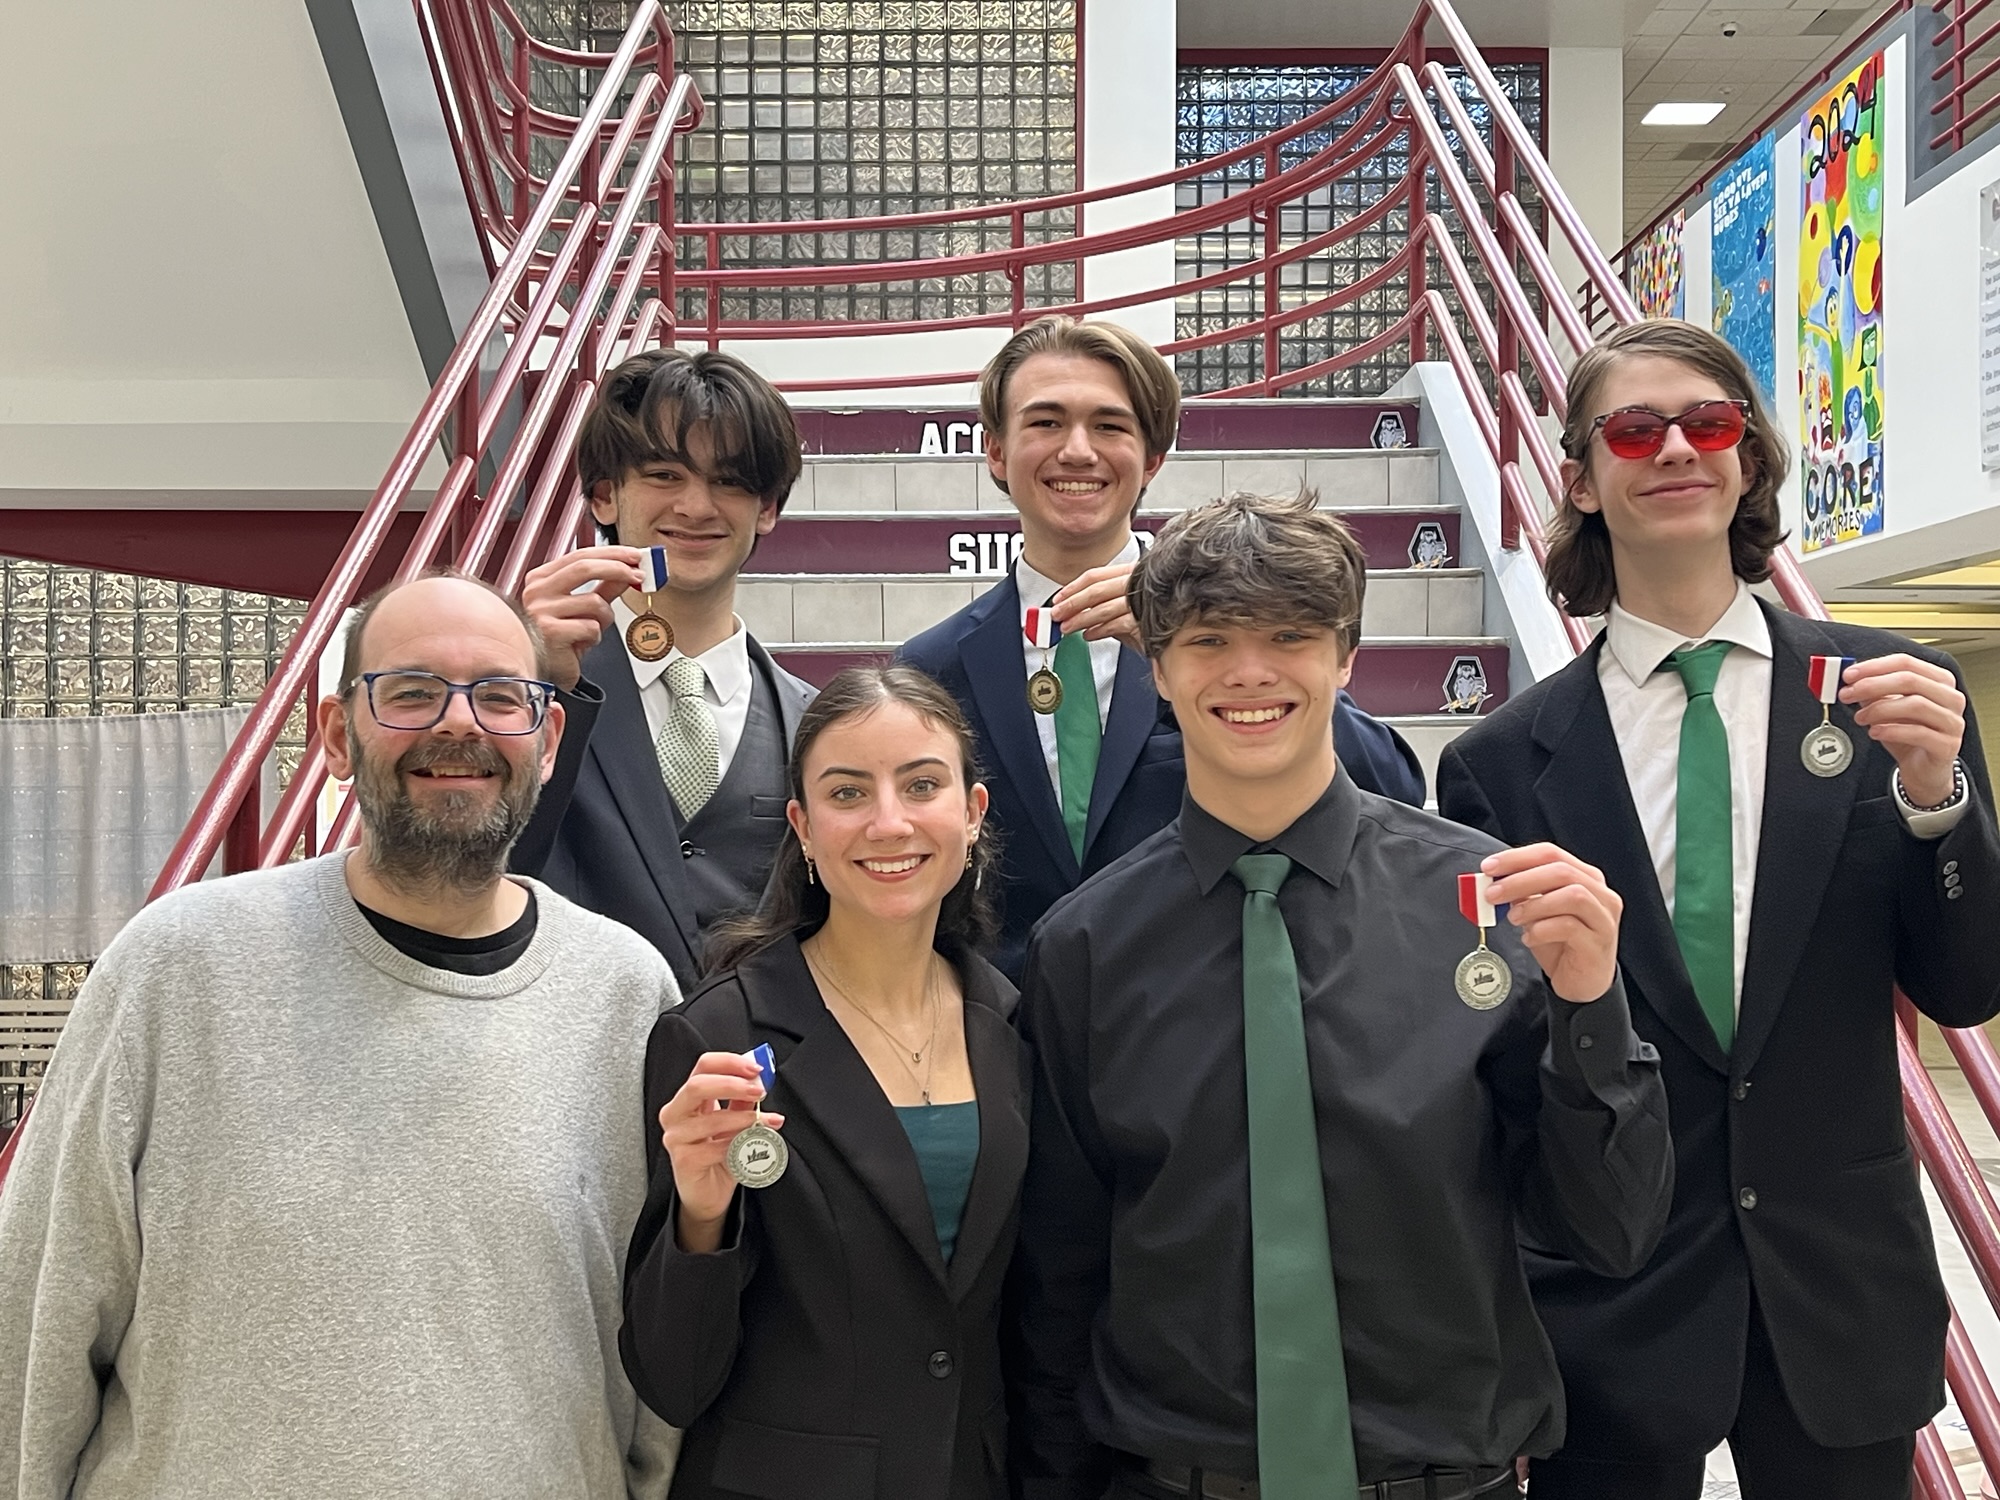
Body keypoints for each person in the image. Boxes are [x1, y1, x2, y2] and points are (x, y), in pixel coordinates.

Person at [1009, 495, 1673, 1500]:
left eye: (1289, 636)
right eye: (1208, 640)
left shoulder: (1489, 908)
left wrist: (1591, 1009)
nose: (1249, 671)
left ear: (1346, 656)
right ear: (1158, 668)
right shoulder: (1082, 948)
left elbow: (1611, 1232)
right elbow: (1059, 1273)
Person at [1435, 318, 2000, 1500]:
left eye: (1707, 422)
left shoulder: (1894, 699)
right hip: (1608, 1298)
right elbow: (1511, 1054)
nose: (1673, 449)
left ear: (1747, 459)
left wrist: (1936, 803)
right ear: (1578, 480)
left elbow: (1965, 987)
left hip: (1838, 1289)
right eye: (1632, 430)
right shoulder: (1500, 762)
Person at [0, 572, 678, 1497]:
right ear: (333, 736)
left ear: (549, 738)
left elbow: (658, 1337)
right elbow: (37, 1314)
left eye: (499, 696)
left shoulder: (625, 994)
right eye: (412, 691)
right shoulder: (178, 968)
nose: (460, 723)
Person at [899, 315, 1426, 979]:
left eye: (1110, 426)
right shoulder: (933, 667)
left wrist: (1177, 638)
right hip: (1010, 1023)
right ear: (997, 452)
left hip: (1198, 1010)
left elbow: (1389, 787)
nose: (1078, 451)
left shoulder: (1226, 643)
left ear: (1153, 457)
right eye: (1046, 422)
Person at [621, 665, 1025, 1500]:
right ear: (803, 827)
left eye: (922, 785)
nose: (889, 822)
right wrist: (701, 1216)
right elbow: (673, 1381)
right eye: (848, 793)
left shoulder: (1013, 1025)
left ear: (972, 813)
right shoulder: (718, 1037)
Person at [512, 348, 816, 993]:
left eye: (730, 481)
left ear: (767, 508)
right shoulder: (525, 687)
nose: (697, 506)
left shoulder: (813, 720)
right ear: (604, 495)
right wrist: (524, 687)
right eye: (663, 474)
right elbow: (468, 870)